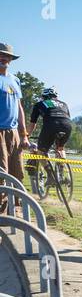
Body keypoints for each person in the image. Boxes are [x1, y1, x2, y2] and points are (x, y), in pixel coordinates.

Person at [0, 43, 29, 212]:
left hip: (14, 133)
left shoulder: (14, 80)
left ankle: (14, 208)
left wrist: (24, 134)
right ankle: (2, 212)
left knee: (17, 172)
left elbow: (19, 108)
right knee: (1, 173)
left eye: (7, 56)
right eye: (0, 55)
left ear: (11, 59)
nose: (4, 58)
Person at [29, 87, 73, 178]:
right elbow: (67, 117)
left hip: (51, 125)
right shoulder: (64, 104)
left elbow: (33, 124)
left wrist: (27, 135)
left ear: (44, 97)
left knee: (41, 151)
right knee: (60, 148)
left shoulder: (39, 104)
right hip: (67, 125)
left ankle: (50, 175)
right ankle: (62, 171)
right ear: (55, 96)